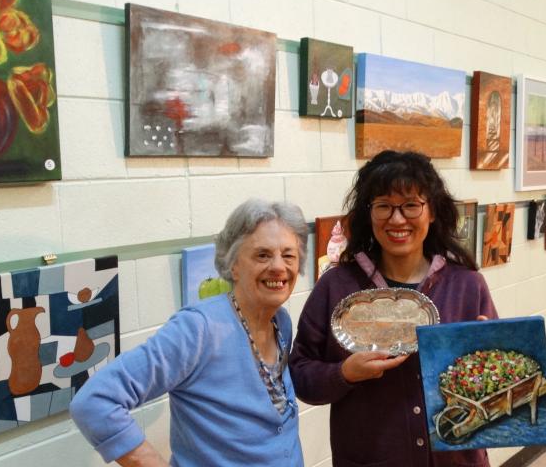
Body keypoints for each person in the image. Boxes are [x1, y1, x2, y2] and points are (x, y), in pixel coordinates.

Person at [290, 150, 498, 467]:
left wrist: (489, 362)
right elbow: (301, 376)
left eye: (411, 205)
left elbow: (496, 392)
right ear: (367, 213)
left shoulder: (467, 285)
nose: (397, 219)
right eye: (384, 206)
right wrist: (345, 373)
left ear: (432, 212)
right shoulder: (337, 287)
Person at [70, 199, 308, 466]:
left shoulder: (281, 322)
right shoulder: (199, 328)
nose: (278, 266)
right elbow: (94, 401)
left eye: (289, 255)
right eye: (262, 255)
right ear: (233, 265)